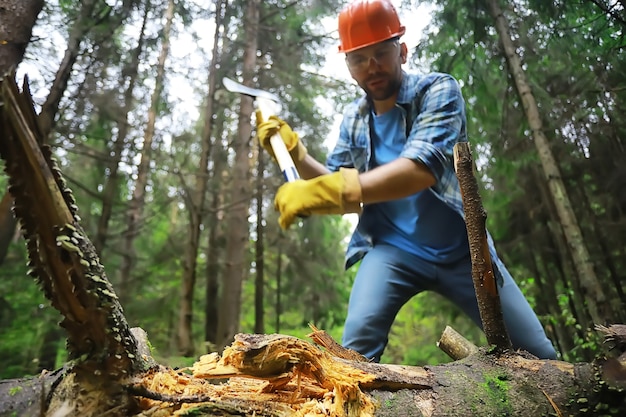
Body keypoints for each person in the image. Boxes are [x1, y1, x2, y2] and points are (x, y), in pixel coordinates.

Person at [256, 0, 557, 361]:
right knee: (353, 357)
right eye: (358, 58)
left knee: (539, 356)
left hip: (463, 251)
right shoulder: (354, 118)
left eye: (381, 52)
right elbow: (338, 184)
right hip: (391, 250)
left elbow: (420, 168)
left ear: (402, 50)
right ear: (348, 65)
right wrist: (297, 155)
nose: (372, 67)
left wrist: (335, 188)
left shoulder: (439, 91)